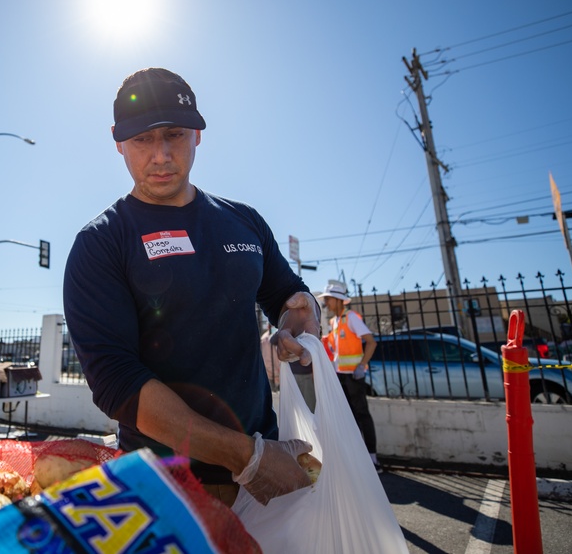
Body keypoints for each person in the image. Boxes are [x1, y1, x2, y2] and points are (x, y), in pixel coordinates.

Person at [63, 67, 321, 508]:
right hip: (166, 490)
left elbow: (289, 296)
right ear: (118, 141)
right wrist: (248, 457)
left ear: (198, 135)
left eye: (175, 135)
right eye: (142, 139)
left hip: (270, 472)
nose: (161, 155)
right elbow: (116, 380)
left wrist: (299, 320)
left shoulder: (244, 221)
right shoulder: (102, 242)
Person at [316, 280, 381, 473]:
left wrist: (361, 366)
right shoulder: (335, 322)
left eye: (328, 299)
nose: (326, 303)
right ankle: (357, 458)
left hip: (354, 376)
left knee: (362, 415)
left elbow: (371, 342)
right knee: (350, 417)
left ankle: (373, 460)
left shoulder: (351, 317)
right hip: (341, 376)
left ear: (338, 300)